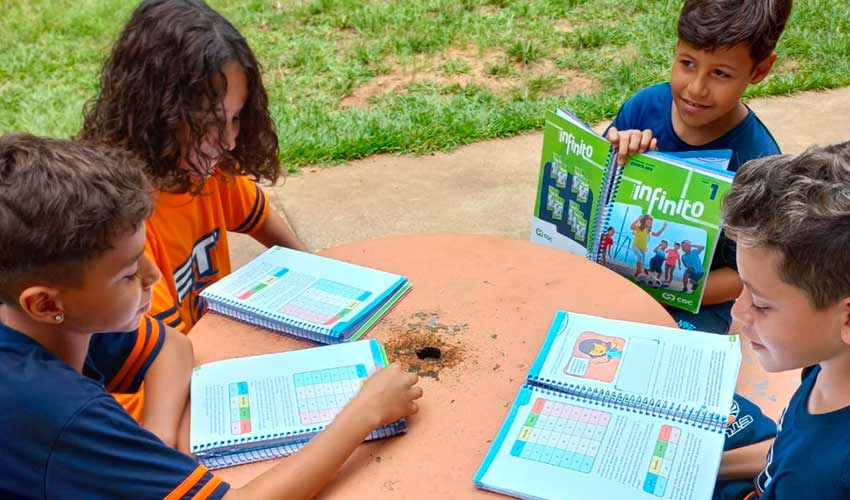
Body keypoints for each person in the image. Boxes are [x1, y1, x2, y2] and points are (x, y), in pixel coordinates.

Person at [0, 135, 423, 500]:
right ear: (45, 303)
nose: (153, 275)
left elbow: (171, 345)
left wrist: (158, 440)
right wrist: (364, 412)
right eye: (129, 273)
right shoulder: (60, 414)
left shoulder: (53, 318)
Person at [79, 0, 310, 416]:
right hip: (158, 406)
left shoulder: (202, 171)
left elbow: (262, 219)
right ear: (155, 113)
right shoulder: (118, 219)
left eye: (237, 118)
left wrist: (316, 274)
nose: (230, 142)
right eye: (209, 122)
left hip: (196, 372)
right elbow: (174, 363)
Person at [605, 0, 793, 333]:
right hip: (614, 280)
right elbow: (596, 204)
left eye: (720, 73)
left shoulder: (758, 162)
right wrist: (616, 150)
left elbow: (750, 276)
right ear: (676, 49)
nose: (696, 87)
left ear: (760, 70)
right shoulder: (643, 107)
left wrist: (658, 291)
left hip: (698, 305)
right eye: (688, 63)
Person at [713, 141, 850, 499]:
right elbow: (787, 451)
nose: (738, 313)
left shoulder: (822, 481)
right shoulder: (829, 361)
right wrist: (706, 465)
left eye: (760, 303)